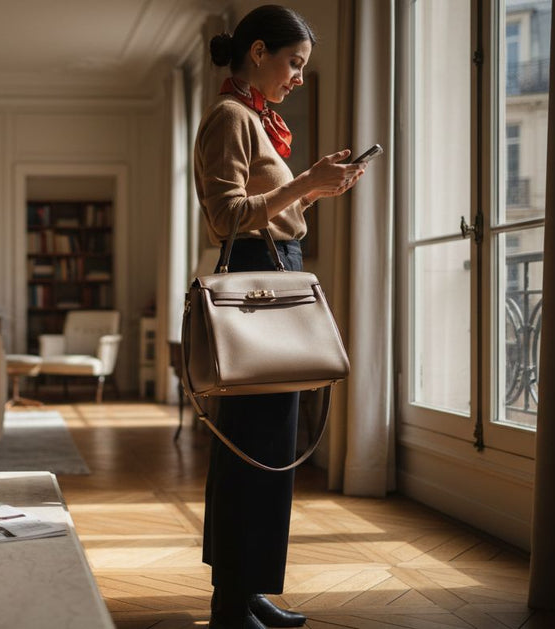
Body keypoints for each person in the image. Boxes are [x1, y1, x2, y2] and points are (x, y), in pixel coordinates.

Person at [192, 5, 366, 628]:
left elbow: (272, 212)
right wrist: (303, 185)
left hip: (274, 274)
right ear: (258, 52)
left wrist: (316, 188)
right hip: (255, 283)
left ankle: (249, 589)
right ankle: (229, 602)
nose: (297, 76)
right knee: (251, 448)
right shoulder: (230, 117)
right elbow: (226, 218)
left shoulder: (258, 120)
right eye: (294, 63)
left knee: (267, 444)